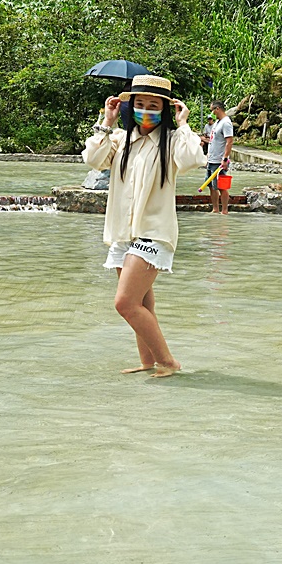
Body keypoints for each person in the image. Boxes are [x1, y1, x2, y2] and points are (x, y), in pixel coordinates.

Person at [82, 74, 205, 377]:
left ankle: (168, 362)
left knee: (124, 303)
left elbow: (194, 159)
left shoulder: (173, 141)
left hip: (153, 232)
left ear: (164, 109)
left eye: (153, 105)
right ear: (130, 107)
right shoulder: (121, 140)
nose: (146, 110)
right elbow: (93, 160)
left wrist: (184, 123)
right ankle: (147, 361)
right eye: (140, 104)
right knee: (141, 303)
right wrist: (106, 121)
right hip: (124, 234)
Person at [203, 100, 234, 214]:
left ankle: (224, 210)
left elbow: (229, 141)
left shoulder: (226, 123)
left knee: (221, 186)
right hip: (211, 159)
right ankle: (215, 208)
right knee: (211, 185)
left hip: (219, 161)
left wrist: (225, 158)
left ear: (217, 109)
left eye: (212, 110)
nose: (211, 114)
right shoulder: (217, 123)